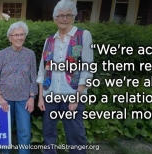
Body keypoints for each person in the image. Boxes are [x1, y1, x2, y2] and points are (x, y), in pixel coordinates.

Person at [36, 0, 94, 154]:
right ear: (55, 19)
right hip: (50, 94)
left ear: (74, 16)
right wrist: (41, 97)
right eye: (60, 15)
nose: (64, 18)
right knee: (48, 134)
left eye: (68, 15)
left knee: (75, 134)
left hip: (72, 93)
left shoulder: (83, 36)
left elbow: (87, 70)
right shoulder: (49, 40)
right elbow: (42, 70)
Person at [0, 21, 37, 154]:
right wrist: (0, 98)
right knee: (4, 133)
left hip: (24, 100)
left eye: (22, 34)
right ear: (10, 37)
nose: (19, 37)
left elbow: (34, 78)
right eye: (16, 35)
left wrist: (32, 97)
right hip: (5, 100)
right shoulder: (2, 54)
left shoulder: (30, 54)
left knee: (25, 132)